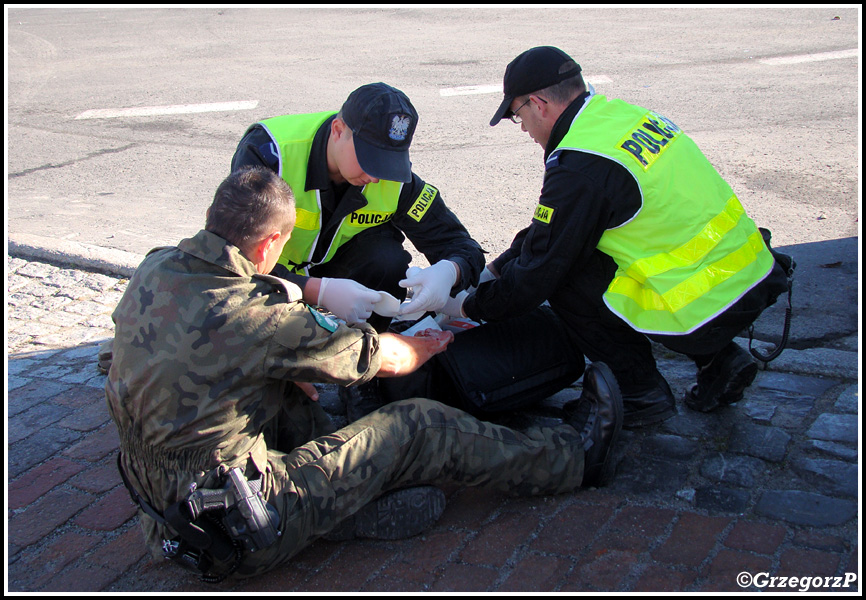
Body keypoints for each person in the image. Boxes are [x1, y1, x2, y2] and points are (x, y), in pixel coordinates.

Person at [106, 166, 624, 582]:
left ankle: (351, 499)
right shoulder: (256, 319)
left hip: (165, 510)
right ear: (269, 248)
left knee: (285, 388)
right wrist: (426, 341)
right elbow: (385, 358)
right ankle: (573, 460)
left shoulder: (157, 267)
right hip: (240, 527)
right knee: (417, 426)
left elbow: (126, 360)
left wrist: (306, 308)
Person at [438, 46, 790, 428]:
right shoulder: (618, 118)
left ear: (538, 104)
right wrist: (492, 271)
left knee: (568, 277)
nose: (520, 126)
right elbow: (554, 228)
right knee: (579, 250)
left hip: (702, 302)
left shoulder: (580, 163)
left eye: (515, 114)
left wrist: (468, 308)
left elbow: (540, 272)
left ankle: (637, 393)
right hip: (747, 274)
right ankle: (719, 359)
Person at [231, 82, 485, 420]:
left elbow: (460, 244)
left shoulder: (393, 178)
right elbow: (233, 258)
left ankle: (363, 369)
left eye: (389, 162)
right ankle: (282, 362)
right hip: (270, 278)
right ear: (338, 130)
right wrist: (316, 290)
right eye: (370, 158)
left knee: (386, 258)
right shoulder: (269, 154)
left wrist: (449, 270)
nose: (378, 175)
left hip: (343, 270)